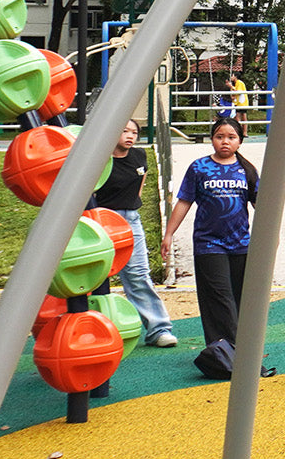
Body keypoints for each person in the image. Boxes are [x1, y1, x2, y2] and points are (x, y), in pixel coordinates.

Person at [163, 115, 257, 349]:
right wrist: (169, 234)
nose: (225, 141)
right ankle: (226, 350)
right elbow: (184, 201)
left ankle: (238, 347)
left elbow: (264, 207)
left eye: (231, 137)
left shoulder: (247, 170)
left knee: (239, 298)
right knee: (219, 297)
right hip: (209, 244)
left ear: (240, 141)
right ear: (212, 139)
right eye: (219, 137)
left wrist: (270, 239)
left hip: (241, 243)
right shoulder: (199, 167)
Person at [92, 118, 178, 348]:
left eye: (134, 132)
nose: (130, 136)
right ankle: (94, 331)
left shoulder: (139, 157)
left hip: (130, 220)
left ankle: (159, 329)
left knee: (138, 274)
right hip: (100, 220)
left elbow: (138, 188)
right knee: (94, 279)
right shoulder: (100, 161)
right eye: (124, 131)